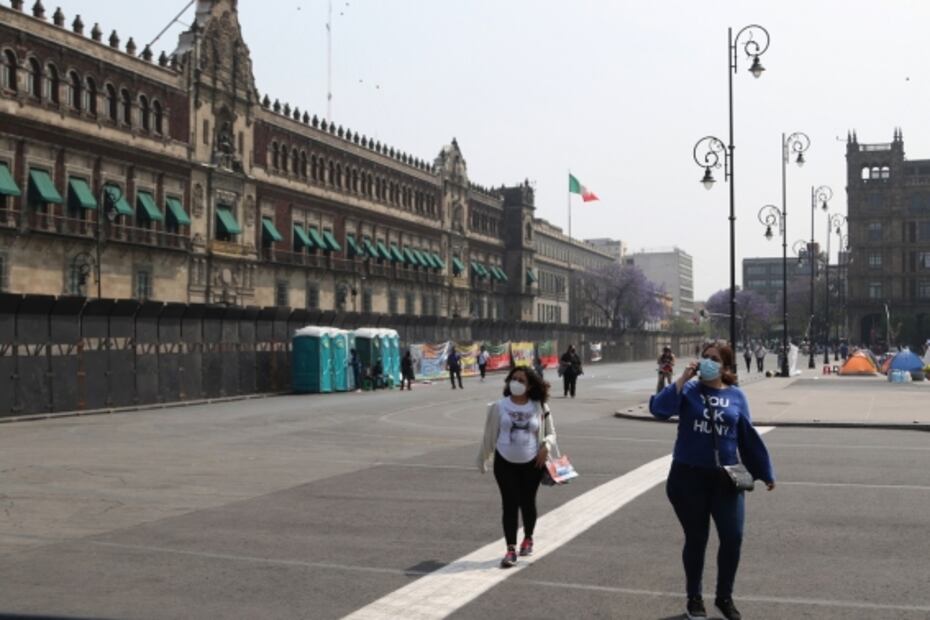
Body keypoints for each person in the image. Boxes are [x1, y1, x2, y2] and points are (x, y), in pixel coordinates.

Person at [649, 341, 776, 620]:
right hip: (688, 477)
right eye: (704, 357)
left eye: (714, 358)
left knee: (733, 538)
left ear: (726, 366)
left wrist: (765, 471)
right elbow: (659, 409)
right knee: (697, 538)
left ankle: (724, 597)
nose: (707, 362)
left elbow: (747, 436)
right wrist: (682, 379)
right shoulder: (689, 390)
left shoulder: (737, 396)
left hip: (725, 479)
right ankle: (694, 597)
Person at [477, 367, 555, 568]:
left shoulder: (540, 407)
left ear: (529, 386)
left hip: (532, 464)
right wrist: (483, 458)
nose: (516, 383)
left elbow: (552, 433)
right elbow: (488, 435)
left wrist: (546, 446)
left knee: (528, 502)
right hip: (504, 463)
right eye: (513, 379)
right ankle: (510, 549)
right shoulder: (498, 407)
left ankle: (528, 538)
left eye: (521, 380)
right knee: (509, 504)